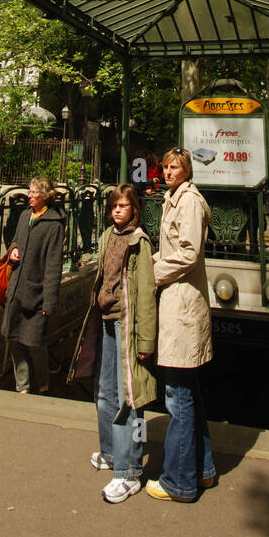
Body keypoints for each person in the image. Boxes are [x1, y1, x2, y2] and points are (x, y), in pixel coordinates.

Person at [70, 184, 157, 503]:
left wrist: (146, 339)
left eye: (124, 205)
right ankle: (110, 452)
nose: (119, 210)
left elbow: (146, 293)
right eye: (115, 205)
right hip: (104, 321)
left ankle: (129, 471)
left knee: (128, 397)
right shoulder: (108, 236)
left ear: (135, 209)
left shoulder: (140, 242)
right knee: (104, 391)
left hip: (126, 324)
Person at [146, 147, 216, 502]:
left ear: (187, 171)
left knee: (177, 398)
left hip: (182, 305)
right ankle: (202, 472)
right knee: (189, 393)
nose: (168, 171)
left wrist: (152, 276)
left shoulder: (187, 202)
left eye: (175, 167)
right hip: (180, 302)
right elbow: (173, 248)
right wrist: (148, 261)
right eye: (165, 166)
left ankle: (179, 481)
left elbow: (188, 253)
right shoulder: (174, 198)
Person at [1, 176, 65, 394]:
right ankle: (22, 387)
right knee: (14, 338)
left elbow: (53, 265)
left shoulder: (54, 225)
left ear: (45, 196)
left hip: (36, 291)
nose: (29, 196)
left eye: (33, 193)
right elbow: (15, 241)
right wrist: (14, 250)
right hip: (17, 287)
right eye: (29, 192)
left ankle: (43, 383)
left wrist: (49, 300)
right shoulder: (24, 216)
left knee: (35, 342)